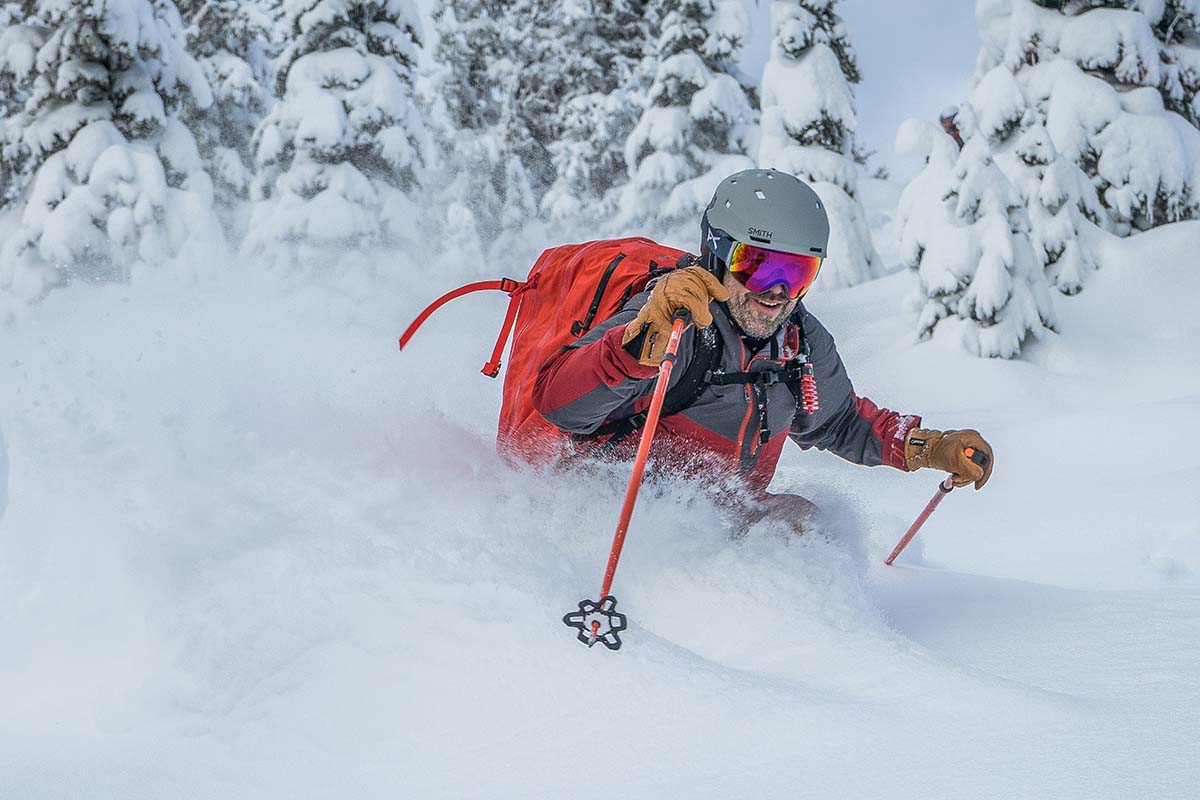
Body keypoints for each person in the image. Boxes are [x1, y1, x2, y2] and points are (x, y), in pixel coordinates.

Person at [532, 169, 992, 521]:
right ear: (717, 253)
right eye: (757, 266)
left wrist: (928, 448)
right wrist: (632, 351)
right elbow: (558, 404)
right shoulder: (673, 315)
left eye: (796, 274)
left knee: (803, 523)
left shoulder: (799, 341)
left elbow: (841, 422)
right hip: (620, 518)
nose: (776, 292)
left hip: (717, 524)